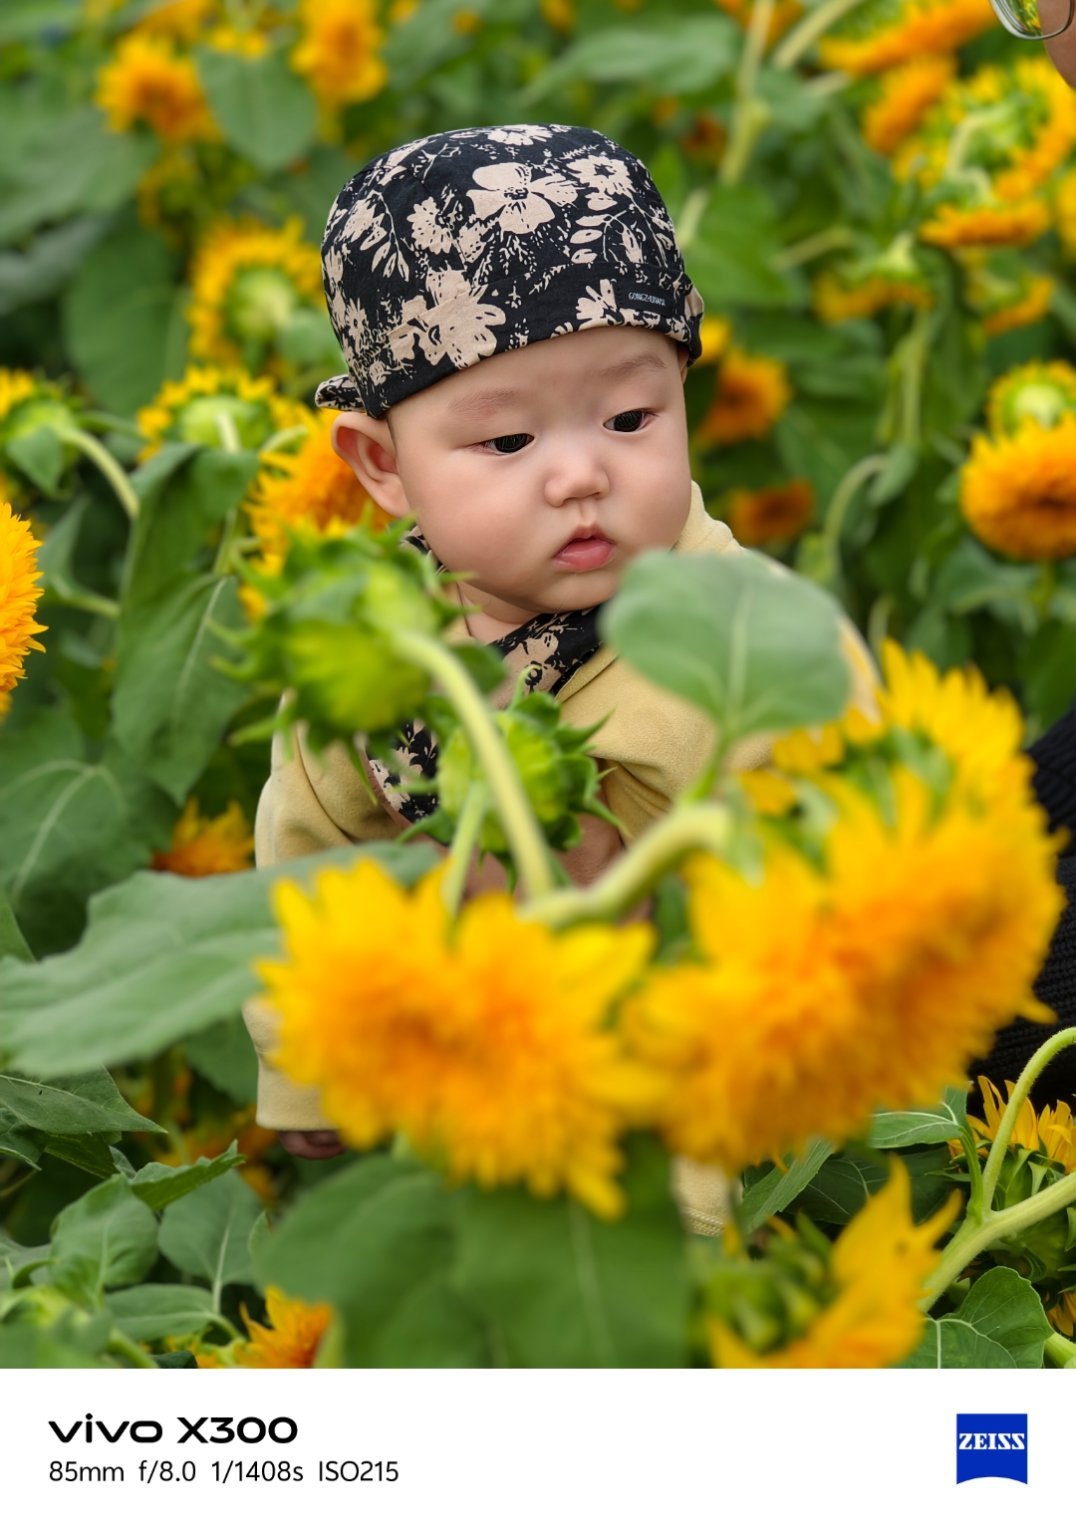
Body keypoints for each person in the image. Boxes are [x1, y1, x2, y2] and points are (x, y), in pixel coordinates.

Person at [240, 124, 876, 1231]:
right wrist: (310, 1069)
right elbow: (306, 860)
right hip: (466, 1107)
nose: (580, 473)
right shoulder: (370, 658)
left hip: (724, 1119)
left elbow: (872, 834)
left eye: (630, 419)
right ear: (381, 468)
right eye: (505, 443)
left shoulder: (757, 638)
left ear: (684, 392)